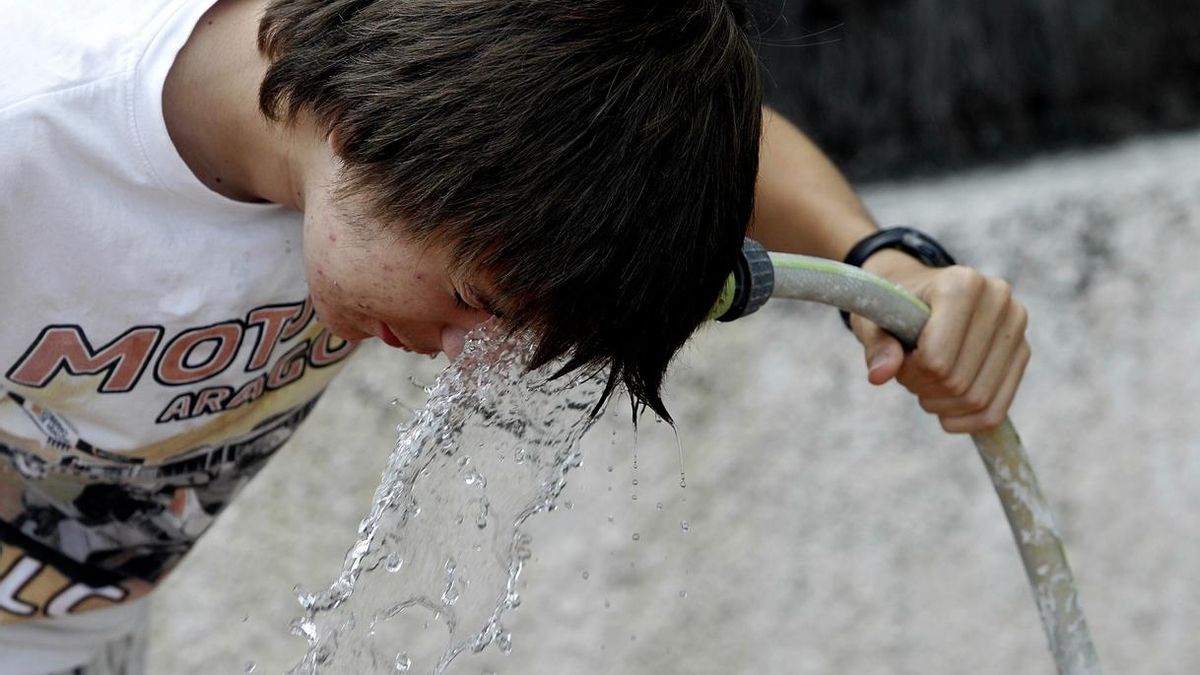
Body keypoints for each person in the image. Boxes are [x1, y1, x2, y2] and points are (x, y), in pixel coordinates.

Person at [0, 0, 1029, 672]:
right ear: (365, 132)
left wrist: (882, 261)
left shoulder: (438, 84)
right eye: (476, 302)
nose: (467, 351)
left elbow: (674, 127)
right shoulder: (30, 131)